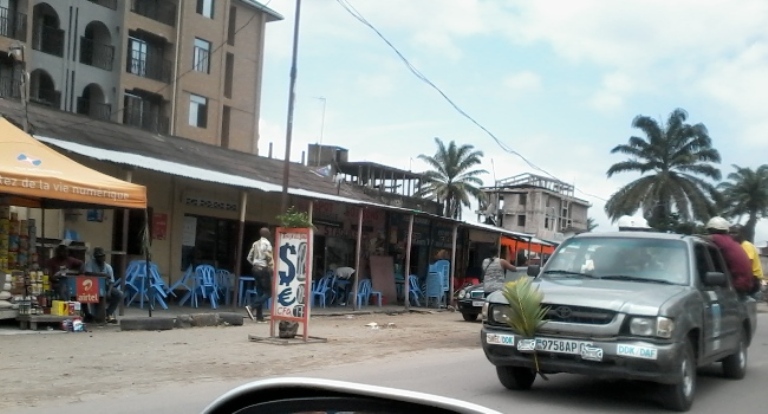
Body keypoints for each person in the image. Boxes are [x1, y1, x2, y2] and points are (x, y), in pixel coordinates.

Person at [705, 217, 754, 295]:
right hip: (745, 283)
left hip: (738, 285)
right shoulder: (730, 241)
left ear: (711, 230)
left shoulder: (717, 238)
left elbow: (701, 238)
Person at [84, 247, 123, 323]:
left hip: (106, 286)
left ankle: (108, 313)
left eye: (103, 256)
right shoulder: (90, 263)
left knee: (119, 294)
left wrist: (109, 291)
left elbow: (111, 281)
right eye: (99, 256)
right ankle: (91, 315)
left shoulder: (108, 267)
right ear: (95, 257)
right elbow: (87, 273)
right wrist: (102, 275)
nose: (102, 258)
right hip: (92, 286)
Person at [246, 227, 273, 322]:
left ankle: (259, 316)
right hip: (263, 269)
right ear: (267, 234)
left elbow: (248, 258)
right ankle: (251, 306)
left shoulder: (255, 243)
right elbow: (269, 257)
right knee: (269, 292)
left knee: (260, 292)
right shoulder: (267, 244)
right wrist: (271, 268)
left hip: (255, 268)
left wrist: (255, 263)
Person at [729, 224, 764, 296]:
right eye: (730, 233)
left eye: (735, 233)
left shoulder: (746, 245)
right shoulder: (738, 246)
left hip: (753, 279)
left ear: (742, 234)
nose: (731, 235)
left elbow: (747, 264)